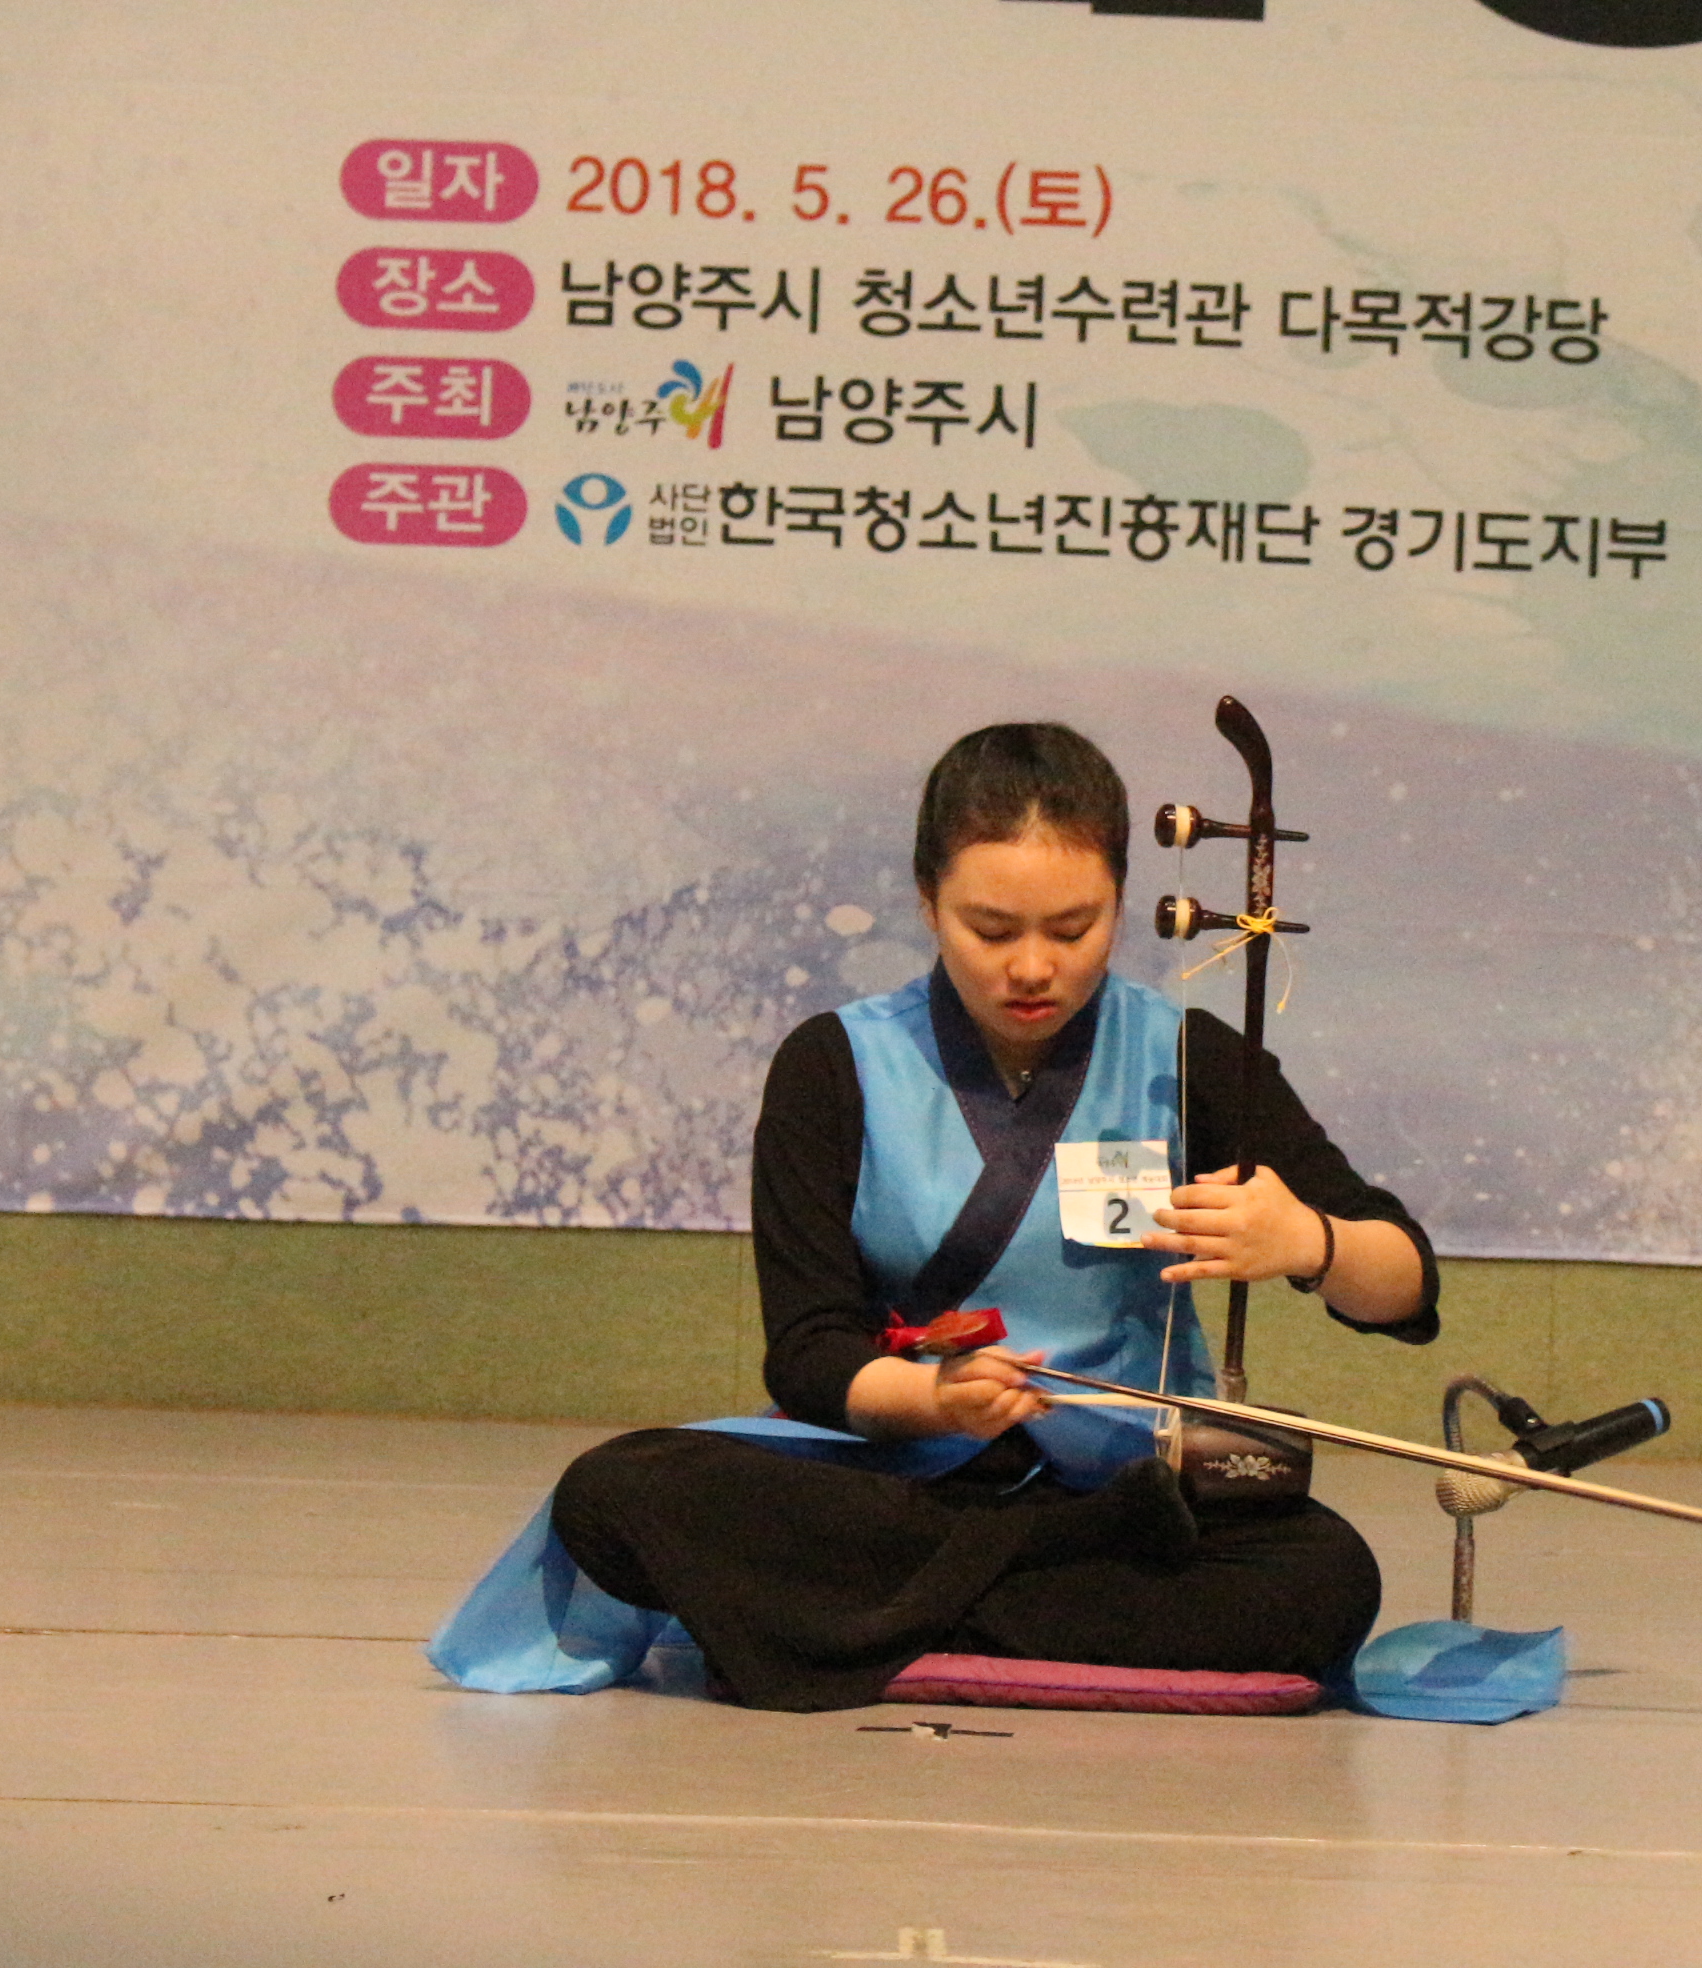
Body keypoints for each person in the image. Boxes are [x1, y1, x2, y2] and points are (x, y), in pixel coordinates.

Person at [549, 720, 1440, 1711]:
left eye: (1072, 930)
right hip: (902, 1481)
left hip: (1124, 1496)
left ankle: (862, 1618)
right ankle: (993, 1600)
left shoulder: (1184, 1057)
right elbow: (806, 1353)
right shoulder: (835, 1064)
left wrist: (1312, 1242)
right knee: (614, 1494)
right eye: (992, 930)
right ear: (927, 902)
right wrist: (932, 1401)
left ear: (1121, 905)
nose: (1031, 968)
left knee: (1326, 1579)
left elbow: (1403, 1285)